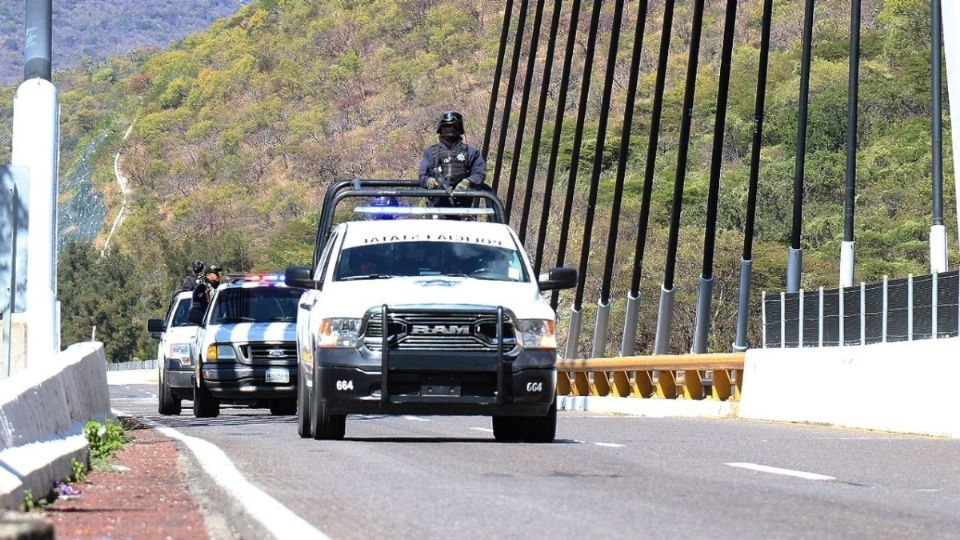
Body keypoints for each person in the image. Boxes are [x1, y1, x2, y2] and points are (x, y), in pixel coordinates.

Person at [417, 111, 486, 208]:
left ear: (459, 128)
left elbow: (479, 173)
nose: (450, 129)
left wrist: (468, 181)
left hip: (463, 207)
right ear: (441, 129)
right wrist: (429, 181)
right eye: (447, 126)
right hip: (436, 207)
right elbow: (422, 176)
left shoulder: (471, 152)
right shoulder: (430, 152)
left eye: (454, 126)